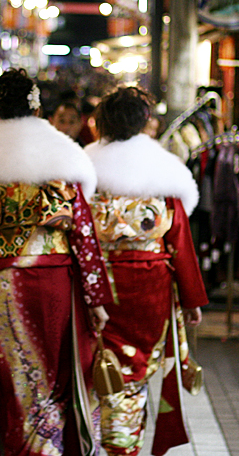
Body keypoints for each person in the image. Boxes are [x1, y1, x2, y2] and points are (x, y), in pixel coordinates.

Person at [0, 68, 112, 455]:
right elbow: (84, 234)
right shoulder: (62, 158)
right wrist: (96, 298)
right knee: (53, 374)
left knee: (17, 371)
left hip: (2, 282)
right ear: (38, 111)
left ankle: (19, 444)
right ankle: (47, 447)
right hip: (56, 281)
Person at [84, 86, 209, 455]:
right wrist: (191, 300)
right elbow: (180, 243)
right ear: (145, 124)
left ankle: (92, 435)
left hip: (96, 287)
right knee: (132, 375)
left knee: (93, 367)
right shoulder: (163, 173)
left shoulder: (84, 172)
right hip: (148, 289)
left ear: (99, 124)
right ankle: (123, 442)